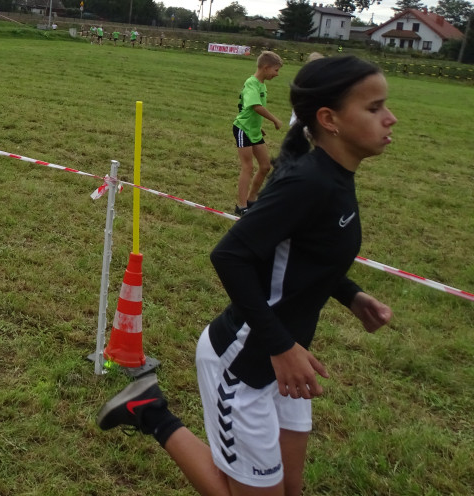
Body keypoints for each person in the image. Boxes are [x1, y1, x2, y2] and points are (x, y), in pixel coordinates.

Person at [97, 55, 396, 496]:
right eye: (374, 108)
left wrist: (351, 295)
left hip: (283, 364)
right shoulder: (309, 183)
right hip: (243, 362)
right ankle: (150, 411)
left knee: (288, 490)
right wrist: (281, 346)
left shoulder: (334, 178)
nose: (390, 118)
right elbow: (230, 255)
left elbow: (303, 255)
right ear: (329, 119)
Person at [233, 50, 283, 216]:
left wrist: (258, 126)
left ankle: (251, 199)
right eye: (276, 70)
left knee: (265, 166)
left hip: (253, 130)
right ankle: (241, 206)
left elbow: (247, 108)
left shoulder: (262, 85)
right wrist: (275, 120)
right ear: (266, 68)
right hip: (243, 129)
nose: (277, 74)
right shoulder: (251, 83)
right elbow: (256, 106)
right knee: (248, 167)